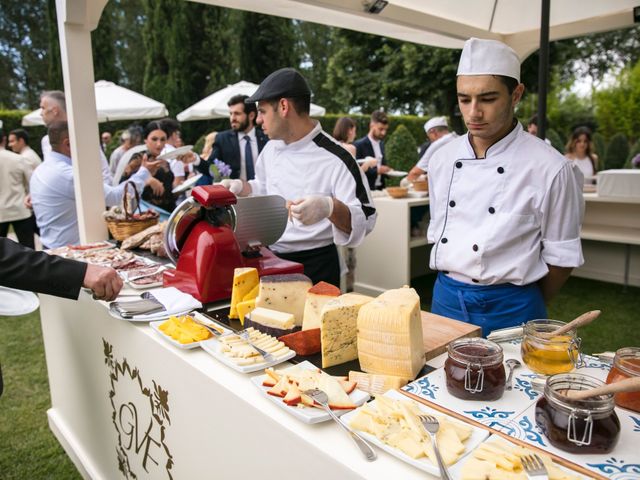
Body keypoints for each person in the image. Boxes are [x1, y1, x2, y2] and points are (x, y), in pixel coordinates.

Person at [426, 38, 584, 336]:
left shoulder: (551, 168)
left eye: (487, 99)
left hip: (513, 306)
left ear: (516, 94)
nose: (473, 113)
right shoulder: (442, 160)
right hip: (445, 299)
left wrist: (522, 299)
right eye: (464, 99)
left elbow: (562, 259)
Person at [221, 68, 376, 287]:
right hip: (270, 257)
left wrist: (329, 207)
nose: (258, 120)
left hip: (317, 264)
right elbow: (264, 187)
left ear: (284, 107)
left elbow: (366, 217)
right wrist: (241, 187)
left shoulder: (337, 157)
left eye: (263, 111)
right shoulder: (271, 149)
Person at [29, 121, 157, 249]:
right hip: (70, 253)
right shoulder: (67, 174)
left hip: (52, 246)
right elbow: (115, 197)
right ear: (68, 144)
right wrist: (144, 172)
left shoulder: (42, 169)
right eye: (83, 143)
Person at [39, 90, 112, 184]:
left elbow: (104, 174)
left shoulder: (82, 136)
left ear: (55, 111)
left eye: (43, 108)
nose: (41, 113)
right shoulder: (45, 141)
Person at [196, 94, 269, 184]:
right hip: (235, 195)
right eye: (231, 114)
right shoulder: (222, 139)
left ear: (251, 115)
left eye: (237, 114)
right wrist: (196, 159)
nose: (232, 118)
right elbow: (211, 167)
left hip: (264, 194)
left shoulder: (267, 138)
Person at [122, 120, 177, 213]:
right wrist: (147, 180)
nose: (159, 144)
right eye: (154, 139)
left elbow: (168, 192)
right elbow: (123, 185)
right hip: (146, 216)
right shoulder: (139, 158)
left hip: (167, 213)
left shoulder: (164, 160)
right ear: (146, 140)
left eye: (163, 139)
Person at [0, 130, 35, 248]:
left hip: (1, 212)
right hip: (20, 209)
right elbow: (31, 183)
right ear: (4, 139)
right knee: (29, 251)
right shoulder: (18, 159)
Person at [405, 116, 458, 182]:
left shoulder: (438, 145)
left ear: (433, 132)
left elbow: (415, 173)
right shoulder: (458, 138)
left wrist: (406, 182)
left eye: (428, 136)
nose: (430, 140)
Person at [354, 110, 391, 191]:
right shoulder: (359, 145)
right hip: (365, 190)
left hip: (381, 188)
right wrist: (377, 171)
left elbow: (382, 165)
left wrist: (388, 172)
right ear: (371, 125)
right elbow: (356, 170)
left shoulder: (381, 144)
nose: (383, 133)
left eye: (385, 129)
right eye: (380, 129)